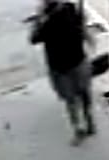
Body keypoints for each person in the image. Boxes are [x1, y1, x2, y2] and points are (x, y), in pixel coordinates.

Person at [30, 0, 95, 143]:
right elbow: (34, 39)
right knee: (70, 98)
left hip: (77, 60)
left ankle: (89, 119)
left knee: (83, 92)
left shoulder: (70, 8)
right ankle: (78, 127)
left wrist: (89, 38)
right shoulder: (44, 16)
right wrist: (40, 20)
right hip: (59, 66)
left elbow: (81, 25)